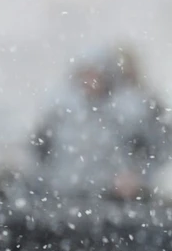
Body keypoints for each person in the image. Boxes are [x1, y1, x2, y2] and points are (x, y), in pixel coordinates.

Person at [32, 44, 168, 200]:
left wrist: (138, 176)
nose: (91, 81)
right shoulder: (60, 111)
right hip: (64, 195)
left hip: (113, 198)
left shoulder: (131, 111)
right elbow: (38, 150)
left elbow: (154, 149)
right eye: (86, 75)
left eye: (96, 75)